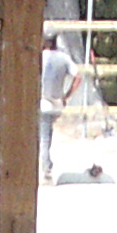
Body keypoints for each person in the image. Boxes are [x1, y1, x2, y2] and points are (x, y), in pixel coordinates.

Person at [38, 38, 77, 181]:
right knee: (47, 133)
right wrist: (67, 95)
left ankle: (45, 168)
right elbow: (77, 76)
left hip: (41, 101)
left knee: (43, 136)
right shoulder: (63, 58)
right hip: (56, 103)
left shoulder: (38, 57)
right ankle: (46, 163)